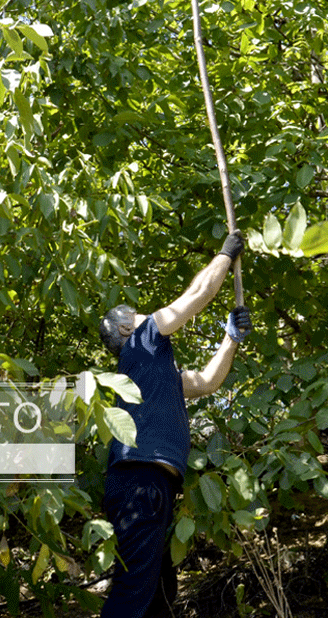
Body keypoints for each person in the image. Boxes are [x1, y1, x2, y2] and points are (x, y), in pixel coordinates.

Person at [97, 231, 251, 618]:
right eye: (136, 314)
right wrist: (225, 255)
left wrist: (230, 338)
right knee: (133, 593)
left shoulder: (151, 371)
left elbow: (206, 382)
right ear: (124, 330)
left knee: (159, 594)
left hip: (151, 486)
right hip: (139, 482)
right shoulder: (142, 343)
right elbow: (199, 293)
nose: (146, 314)